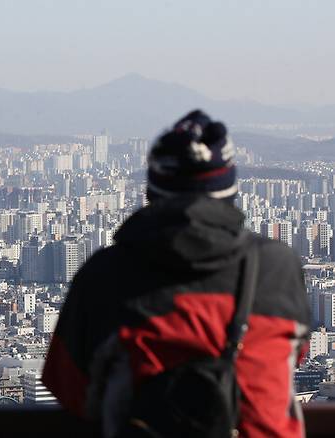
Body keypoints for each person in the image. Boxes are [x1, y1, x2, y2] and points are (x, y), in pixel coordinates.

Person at [42, 110, 310, 438]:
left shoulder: (105, 276)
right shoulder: (278, 268)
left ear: (153, 191)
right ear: (230, 191)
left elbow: (73, 392)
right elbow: (294, 359)